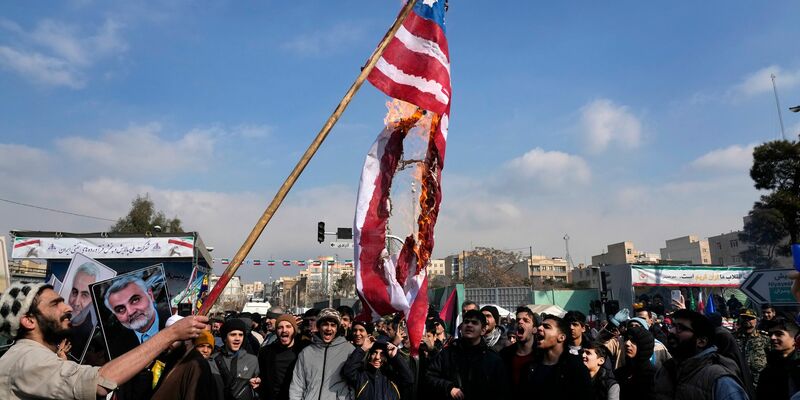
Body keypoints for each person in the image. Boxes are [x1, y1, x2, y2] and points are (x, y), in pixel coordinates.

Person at [0, 282, 208, 400]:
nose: (68, 308)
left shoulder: (34, 355)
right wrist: (171, 334)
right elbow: (99, 382)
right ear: (28, 320)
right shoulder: (27, 358)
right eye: (55, 304)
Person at [654, 309, 747, 400]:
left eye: (680, 328)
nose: (671, 331)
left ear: (701, 342)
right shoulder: (666, 369)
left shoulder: (721, 381)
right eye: (673, 326)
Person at [425, 309, 511, 399]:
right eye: (466, 322)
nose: (469, 325)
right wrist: (448, 387)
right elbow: (429, 377)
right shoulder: (447, 354)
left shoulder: (493, 360)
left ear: (483, 330)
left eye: (474, 323)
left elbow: (502, 391)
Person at [289, 308, 354, 400]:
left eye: (333, 325)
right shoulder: (307, 352)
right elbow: (297, 384)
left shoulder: (349, 351)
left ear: (337, 328)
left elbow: (354, 385)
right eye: (325, 324)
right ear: (319, 327)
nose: (329, 328)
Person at [524, 314, 593, 399]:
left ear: (561, 337)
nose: (539, 328)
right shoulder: (529, 368)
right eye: (540, 325)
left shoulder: (576, 367)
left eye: (547, 327)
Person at [103, 275, 172, 358]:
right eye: (120, 309)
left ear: (150, 296)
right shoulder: (117, 351)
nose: (131, 312)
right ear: (115, 315)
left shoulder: (176, 317)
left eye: (135, 300)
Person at [151, 315, 218, 400]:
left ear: (187, 338)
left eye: (174, 337)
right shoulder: (173, 357)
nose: (168, 342)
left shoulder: (197, 364)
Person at [342, 339, 413, 400]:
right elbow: (348, 371)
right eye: (374, 353)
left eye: (382, 354)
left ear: (387, 357)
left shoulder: (393, 378)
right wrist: (362, 349)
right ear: (369, 356)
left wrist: (395, 356)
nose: (377, 357)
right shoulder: (361, 376)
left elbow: (409, 379)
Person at [259, 314, 308, 400]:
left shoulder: (304, 350)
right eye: (280, 327)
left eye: (288, 326)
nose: (284, 330)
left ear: (294, 330)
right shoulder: (266, 352)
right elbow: (262, 377)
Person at [211, 318, 261, 400]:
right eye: (233, 334)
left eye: (241, 335)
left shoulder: (252, 360)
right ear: (225, 338)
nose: (237, 338)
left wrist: (257, 384)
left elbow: (256, 388)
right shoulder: (212, 360)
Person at [756, 318, 800, 400]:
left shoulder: (797, 367)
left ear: (795, 339)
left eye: (779, 334)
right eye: (771, 334)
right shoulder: (769, 364)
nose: (772, 337)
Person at [499, 306, 537, 397]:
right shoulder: (504, 354)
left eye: (526, 320)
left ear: (534, 329)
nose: (520, 322)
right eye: (518, 320)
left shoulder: (542, 355)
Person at [65, 262, 100, 360]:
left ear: (93, 300)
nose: (76, 302)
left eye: (84, 295)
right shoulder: (57, 320)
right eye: (74, 292)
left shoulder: (94, 335)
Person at [614, 325, 656, 400]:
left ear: (643, 346)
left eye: (633, 340)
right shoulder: (620, 372)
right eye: (627, 339)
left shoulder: (653, 377)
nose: (627, 343)